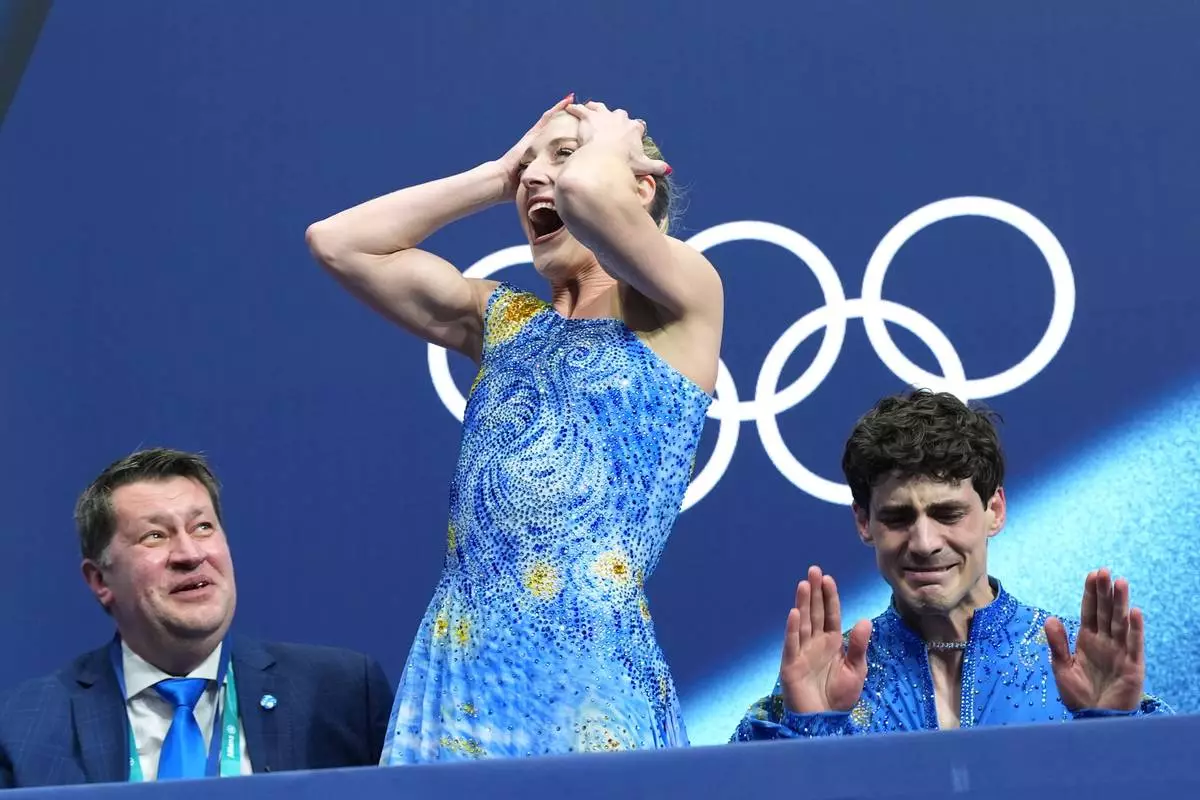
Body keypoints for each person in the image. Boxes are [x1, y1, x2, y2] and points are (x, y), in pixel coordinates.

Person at [305, 94, 723, 763]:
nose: (538, 178)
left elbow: (588, 194)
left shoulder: (685, 299)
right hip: (457, 676)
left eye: (564, 156)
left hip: (589, 678)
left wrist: (609, 146)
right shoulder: (502, 321)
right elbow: (338, 243)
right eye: (529, 168)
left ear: (641, 186)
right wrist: (497, 176)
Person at [732, 390, 1172, 740]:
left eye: (948, 514)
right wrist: (809, 732)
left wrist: (1113, 731)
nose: (924, 543)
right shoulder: (823, 677)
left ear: (994, 510)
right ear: (864, 523)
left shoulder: (1079, 663)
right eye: (897, 518)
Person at [0, 448, 395, 788]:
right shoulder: (24, 727)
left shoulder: (340, 696)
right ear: (100, 580)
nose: (190, 554)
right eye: (155, 535)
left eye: (202, 527)